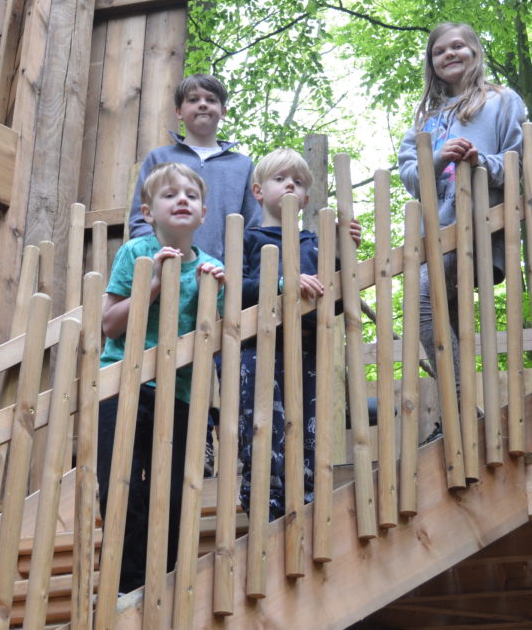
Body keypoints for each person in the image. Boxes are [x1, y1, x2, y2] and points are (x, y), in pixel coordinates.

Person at [98, 162, 226, 594]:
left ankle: (163, 581)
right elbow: (111, 324)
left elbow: (218, 336)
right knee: (122, 486)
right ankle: (124, 585)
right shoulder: (134, 252)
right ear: (148, 212)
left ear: (204, 214)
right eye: (170, 195)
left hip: (184, 395)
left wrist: (215, 296)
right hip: (123, 387)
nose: (182, 200)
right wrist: (152, 280)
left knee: (174, 492)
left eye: (190, 195)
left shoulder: (212, 267)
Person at [397, 23, 528, 386]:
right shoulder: (426, 118)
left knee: (424, 307)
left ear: (475, 52)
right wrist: (437, 158)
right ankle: (460, 412)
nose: (449, 54)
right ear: (431, 62)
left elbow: (517, 162)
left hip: (478, 224)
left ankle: (458, 403)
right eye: (439, 51)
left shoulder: (502, 101)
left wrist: (479, 160)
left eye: (457, 46)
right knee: (443, 319)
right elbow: (410, 177)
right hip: (436, 232)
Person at [236, 148, 361, 522]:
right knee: (262, 424)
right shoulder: (248, 239)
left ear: (306, 197)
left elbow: (337, 303)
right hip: (259, 350)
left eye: (299, 181)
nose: (290, 184)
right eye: (280, 179)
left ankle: (307, 499)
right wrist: (282, 283)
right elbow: (235, 292)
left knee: (307, 423)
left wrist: (342, 254)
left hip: (308, 350)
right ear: (259, 191)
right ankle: (263, 502)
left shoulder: (316, 243)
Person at [128, 73, 260, 262]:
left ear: (223, 112)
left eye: (211, 99)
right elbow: (140, 218)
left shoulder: (242, 165)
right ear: (179, 112)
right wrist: (157, 257)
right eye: (193, 99)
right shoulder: (159, 158)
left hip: (223, 276)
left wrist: (240, 271)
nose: (203, 104)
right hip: (165, 270)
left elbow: (253, 225)